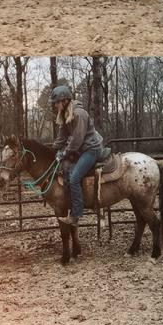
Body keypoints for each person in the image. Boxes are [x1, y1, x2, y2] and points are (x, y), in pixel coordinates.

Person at [51, 85, 104, 226]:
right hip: (81, 149)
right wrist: (52, 149)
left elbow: (77, 139)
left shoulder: (79, 113)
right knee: (65, 169)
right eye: (55, 103)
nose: (55, 105)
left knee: (74, 178)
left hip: (91, 149)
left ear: (65, 101)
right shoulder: (64, 115)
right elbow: (61, 137)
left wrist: (64, 153)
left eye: (57, 102)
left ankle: (76, 214)